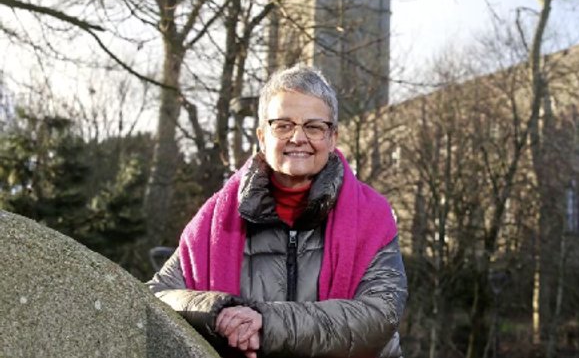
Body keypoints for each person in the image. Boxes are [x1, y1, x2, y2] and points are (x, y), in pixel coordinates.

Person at [147, 65, 407, 358]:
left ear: (332, 138)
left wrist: (266, 322)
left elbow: (380, 313)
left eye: (314, 127)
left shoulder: (372, 217)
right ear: (262, 136)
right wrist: (218, 311)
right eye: (283, 125)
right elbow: (156, 296)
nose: (298, 138)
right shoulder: (212, 219)